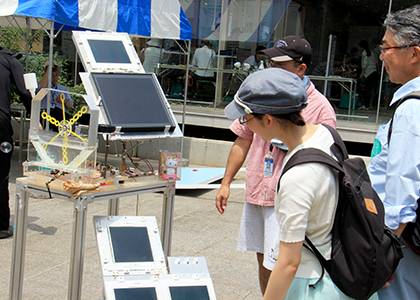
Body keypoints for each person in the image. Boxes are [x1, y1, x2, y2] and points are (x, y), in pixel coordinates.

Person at [215, 35, 336, 295]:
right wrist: (226, 182)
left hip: (287, 199)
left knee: (282, 261)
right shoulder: (264, 97)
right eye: (270, 63)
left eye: (248, 119)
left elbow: (290, 263)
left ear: (269, 120)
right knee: (265, 258)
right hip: (260, 189)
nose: (246, 125)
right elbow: (242, 140)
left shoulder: (298, 173)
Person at [367, 5, 420, 300]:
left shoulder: (412, 109)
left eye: (387, 47)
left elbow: (402, 191)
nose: (382, 55)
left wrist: (384, 255)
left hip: (404, 244)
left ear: (414, 53)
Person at [0, 46, 32, 239]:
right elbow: (25, 92)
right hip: (0, 124)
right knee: (1, 174)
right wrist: (37, 116)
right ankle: (2, 225)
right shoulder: (10, 59)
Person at [38, 61, 73, 130]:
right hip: (46, 115)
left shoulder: (63, 89)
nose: (54, 78)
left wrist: (63, 101)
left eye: (56, 75)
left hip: (60, 116)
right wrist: (48, 69)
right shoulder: (43, 86)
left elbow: (70, 106)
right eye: (52, 75)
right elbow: (42, 86)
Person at [358, 40, 379, 110]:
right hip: (374, 72)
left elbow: (365, 64)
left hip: (368, 73)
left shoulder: (364, 53)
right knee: (371, 90)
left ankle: (365, 104)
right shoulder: (371, 52)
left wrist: (362, 73)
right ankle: (370, 104)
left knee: (366, 90)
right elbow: (376, 62)